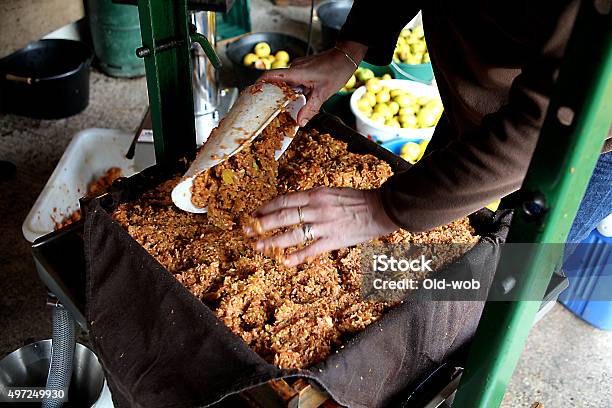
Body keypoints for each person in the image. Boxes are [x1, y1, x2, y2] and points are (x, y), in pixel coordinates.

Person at [246, 0, 612, 267]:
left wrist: (382, 208)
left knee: (504, 282)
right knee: (408, 257)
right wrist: (349, 48)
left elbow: (547, 124)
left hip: (583, 149)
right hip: (476, 107)